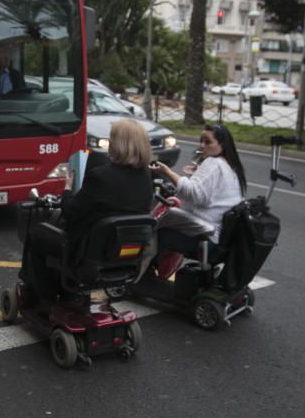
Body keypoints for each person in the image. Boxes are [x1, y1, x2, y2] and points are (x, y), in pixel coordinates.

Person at [19, 119, 154, 301]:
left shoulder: (101, 176)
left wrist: (67, 188)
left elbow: (70, 211)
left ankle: (43, 295)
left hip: (87, 254)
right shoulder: (146, 177)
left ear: (118, 145)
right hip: (123, 256)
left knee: (37, 234)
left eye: (112, 139)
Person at [149, 123, 247, 258]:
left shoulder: (213, 163)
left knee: (151, 231)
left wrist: (167, 172)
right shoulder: (231, 167)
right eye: (201, 141)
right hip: (219, 240)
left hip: (206, 238)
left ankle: (138, 276)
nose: (202, 145)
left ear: (222, 145)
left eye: (208, 142)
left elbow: (194, 194)